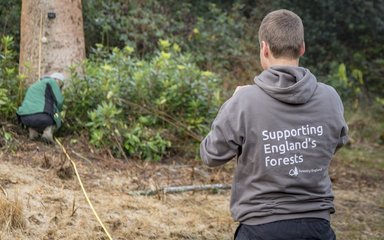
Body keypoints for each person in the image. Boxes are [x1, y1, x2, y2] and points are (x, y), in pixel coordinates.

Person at [200, 9, 348, 240]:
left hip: (259, 228)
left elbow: (210, 155)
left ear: (264, 48)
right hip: (317, 227)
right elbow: (334, 143)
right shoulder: (330, 97)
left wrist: (232, 103)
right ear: (302, 47)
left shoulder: (244, 101)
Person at [17, 72, 65, 144]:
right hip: (42, 117)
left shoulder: (34, 85)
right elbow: (59, 102)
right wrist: (59, 115)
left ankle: (33, 133)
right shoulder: (52, 81)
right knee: (56, 115)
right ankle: (47, 133)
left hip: (24, 118)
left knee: (35, 113)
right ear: (58, 81)